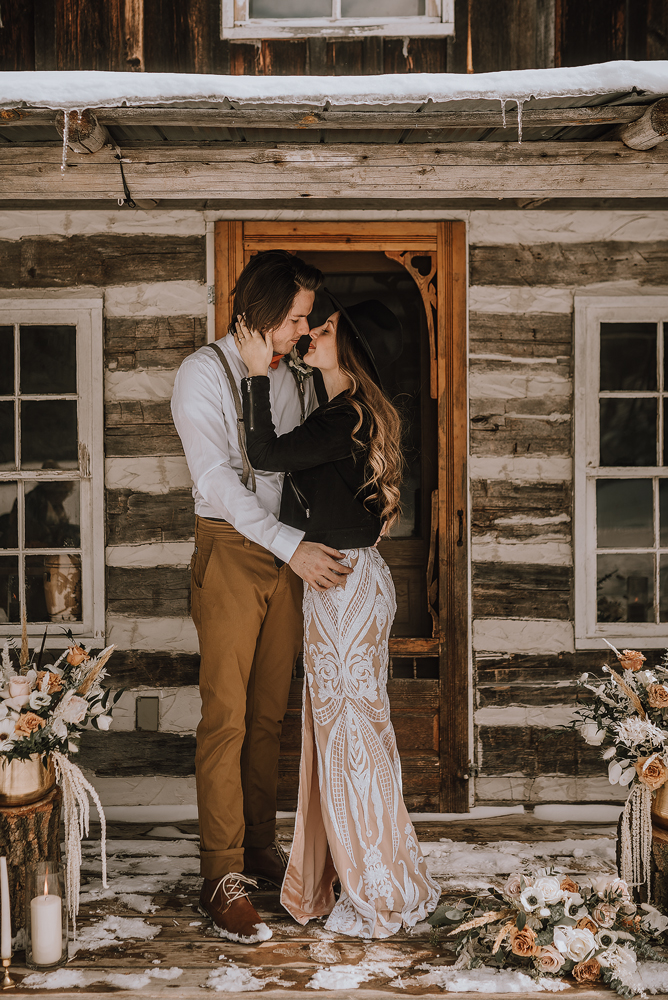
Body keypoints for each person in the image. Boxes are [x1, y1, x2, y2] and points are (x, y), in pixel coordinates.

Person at [234, 291, 440, 939]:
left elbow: (265, 454)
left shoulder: (344, 416)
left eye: (322, 329)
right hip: (352, 580)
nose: (311, 335)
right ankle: (353, 872)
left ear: (346, 346)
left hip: (344, 589)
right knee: (350, 734)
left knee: (350, 739)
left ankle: (376, 883)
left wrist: (255, 375)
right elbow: (323, 500)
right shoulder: (352, 416)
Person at [171, 251, 353, 945]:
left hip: (291, 556)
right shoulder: (200, 374)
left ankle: (257, 849)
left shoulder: (296, 377)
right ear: (264, 310)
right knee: (227, 717)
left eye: (307, 319)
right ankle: (220, 876)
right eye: (296, 318)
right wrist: (291, 546)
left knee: (271, 716)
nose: (303, 331)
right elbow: (217, 481)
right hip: (231, 552)